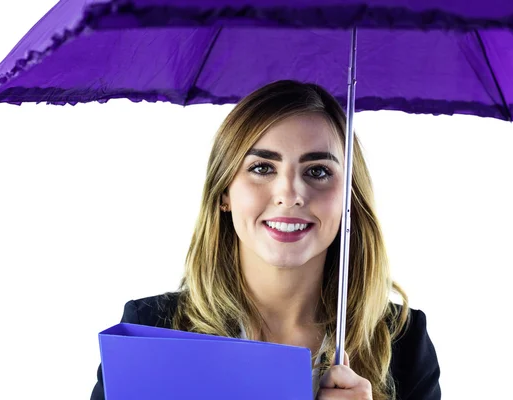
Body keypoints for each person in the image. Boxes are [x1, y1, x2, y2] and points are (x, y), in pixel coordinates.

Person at [90, 80, 441, 400]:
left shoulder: (403, 340)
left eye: (318, 171)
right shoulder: (149, 330)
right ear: (224, 193)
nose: (289, 193)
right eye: (262, 168)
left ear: (349, 197)